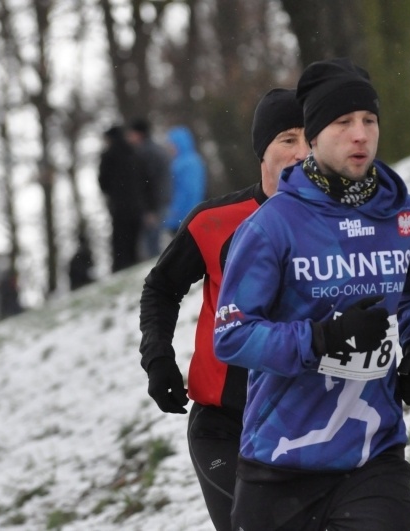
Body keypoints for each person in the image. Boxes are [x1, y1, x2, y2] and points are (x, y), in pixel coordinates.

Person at [213, 58, 410, 531]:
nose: (360, 134)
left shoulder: (402, 216)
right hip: (281, 459)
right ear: (313, 137)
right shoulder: (272, 226)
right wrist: (321, 338)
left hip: (372, 455)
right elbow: (232, 336)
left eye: (369, 121)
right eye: (343, 123)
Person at [138, 89, 306, 531]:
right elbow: (160, 287)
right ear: (263, 150)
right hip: (225, 427)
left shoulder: (339, 224)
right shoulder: (214, 221)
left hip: (309, 421)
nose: (302, 152)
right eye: (288, 139)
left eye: (311, 138)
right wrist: (158, 358)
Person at [98, 125, 144, 272]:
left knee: (120, 240)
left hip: (119, 205)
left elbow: (102, 181)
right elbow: (142, 178)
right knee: (133, 240)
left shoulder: (108, 155)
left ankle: (120, 267)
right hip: (135, 204)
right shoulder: (133, 152)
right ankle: (134, 263)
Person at [127, 118, 172, 259]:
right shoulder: (158, 150)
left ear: (138, 134)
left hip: (155, 205)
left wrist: (149, 210)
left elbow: (149, 183)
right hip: (163, 200)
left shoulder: (144, 153)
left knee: (151, 248)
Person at [165, 126, 207, 235]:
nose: (170, 147)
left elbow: (190, 191)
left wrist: (177, 213)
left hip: (185, 217)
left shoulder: (187, 163)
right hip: (185, 216)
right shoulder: (184, 161)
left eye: (172, 144)